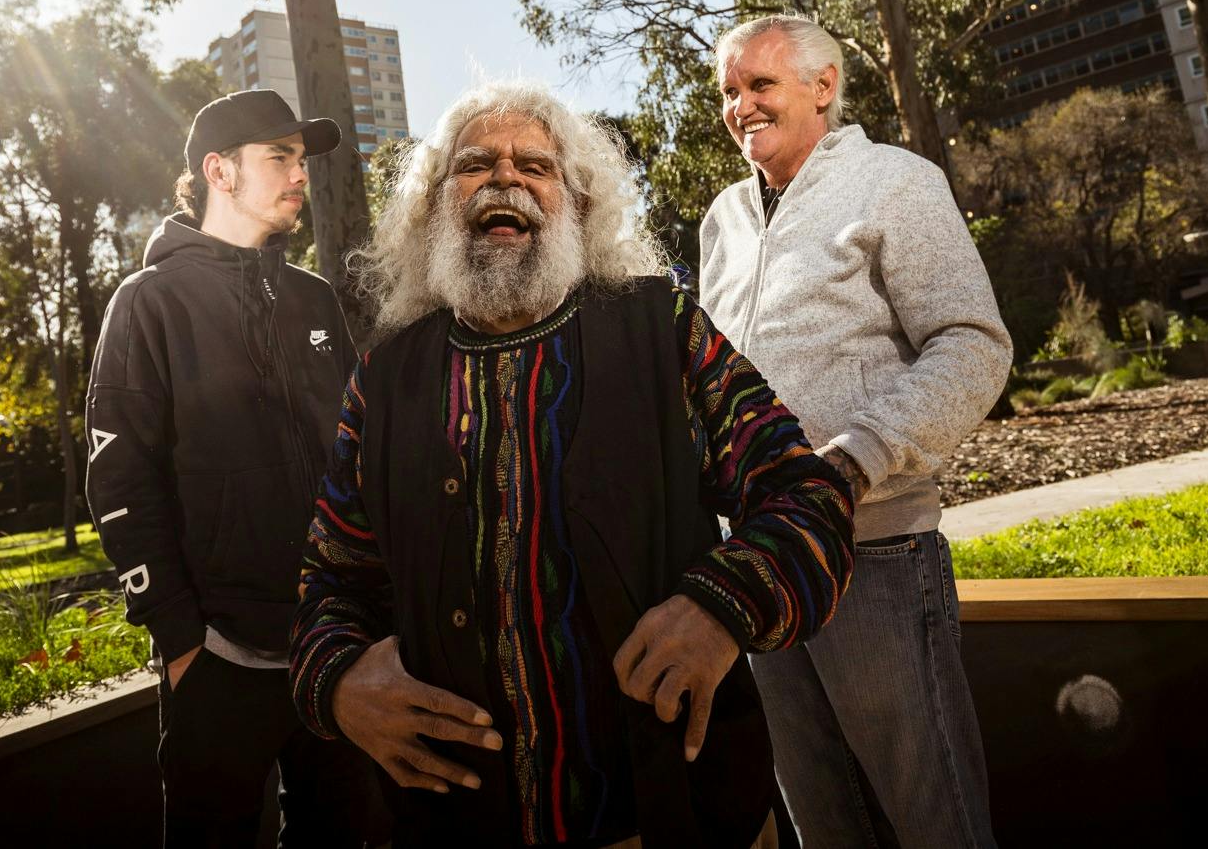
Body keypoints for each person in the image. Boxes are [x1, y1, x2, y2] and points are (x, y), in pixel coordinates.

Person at [289, 81, 856, 849]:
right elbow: (330, 580)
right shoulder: (382, 380)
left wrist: (724, 607)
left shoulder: (664, 330)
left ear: (578, 205)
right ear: (432, 208)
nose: (505, 178)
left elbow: (808, 495)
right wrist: (337, 681)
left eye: (536, 166)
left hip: (679, 815)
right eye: (475, 164)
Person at [699, 15, 1013, 848]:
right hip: (762, 564)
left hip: (872, 553)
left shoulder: (894, 181)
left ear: (823, 86)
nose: (740, 106)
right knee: (824, 823)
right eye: (729, 91)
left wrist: (855, 461)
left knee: (934, 819)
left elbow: (974, 345)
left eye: (760, 85)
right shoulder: (722, 219)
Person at [84, 88, 379, 847]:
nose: (300, 174)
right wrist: (183, 642)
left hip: (333, 650)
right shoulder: (147, 303)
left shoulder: (314, 300)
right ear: (219, 171)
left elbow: (358, 455)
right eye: (280, 156)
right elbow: (119, 481)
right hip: (218, 659)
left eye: (302, 158)